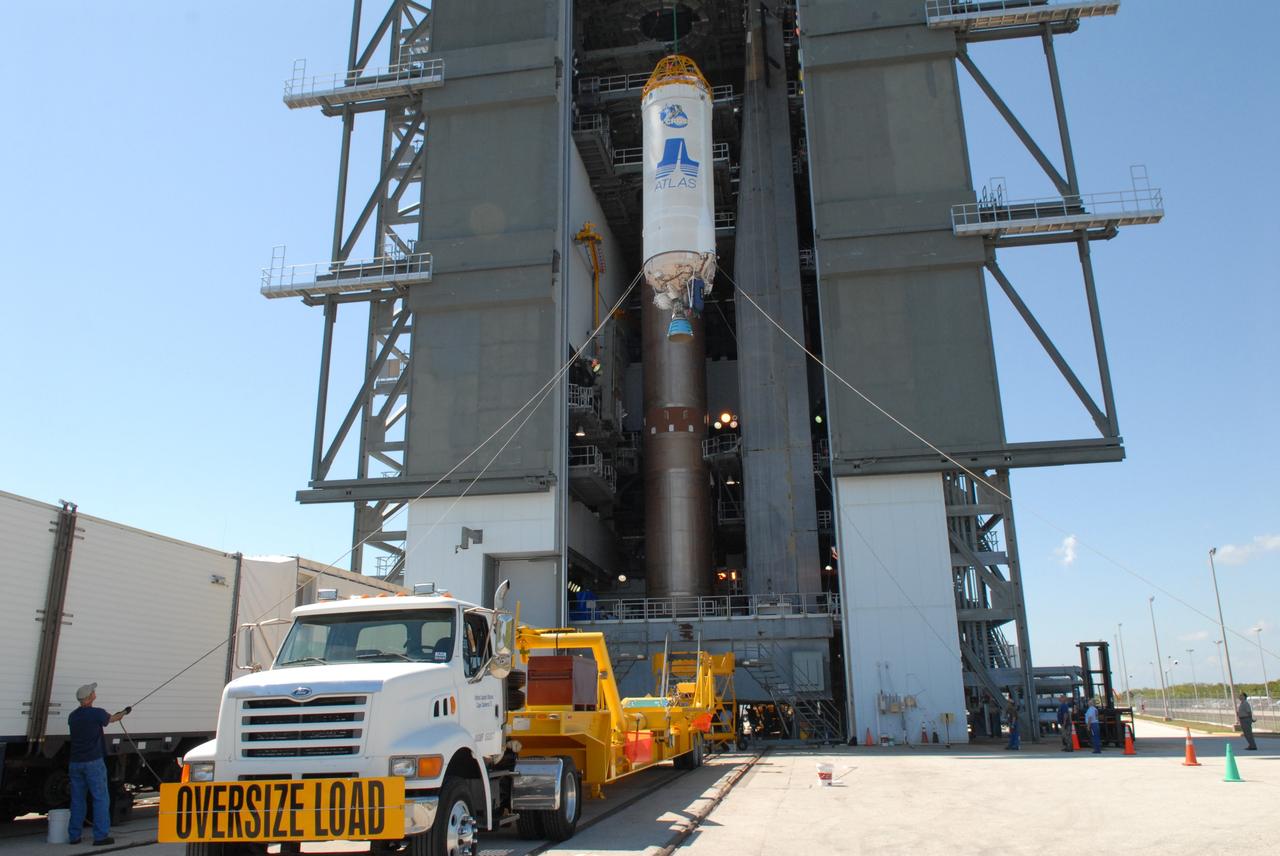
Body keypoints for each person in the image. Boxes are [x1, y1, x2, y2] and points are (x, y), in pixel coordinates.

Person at [67, 683, 130, 846]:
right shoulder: (96, 713)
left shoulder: (73, 716)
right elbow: (113, 719)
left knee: (77, 800)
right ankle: (100, 836)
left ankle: (74, 836)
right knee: (100, 798)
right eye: (93, 692)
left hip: (75, 763)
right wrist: (125, 712)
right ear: (89, 698)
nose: (95, 692)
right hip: (93, 762)